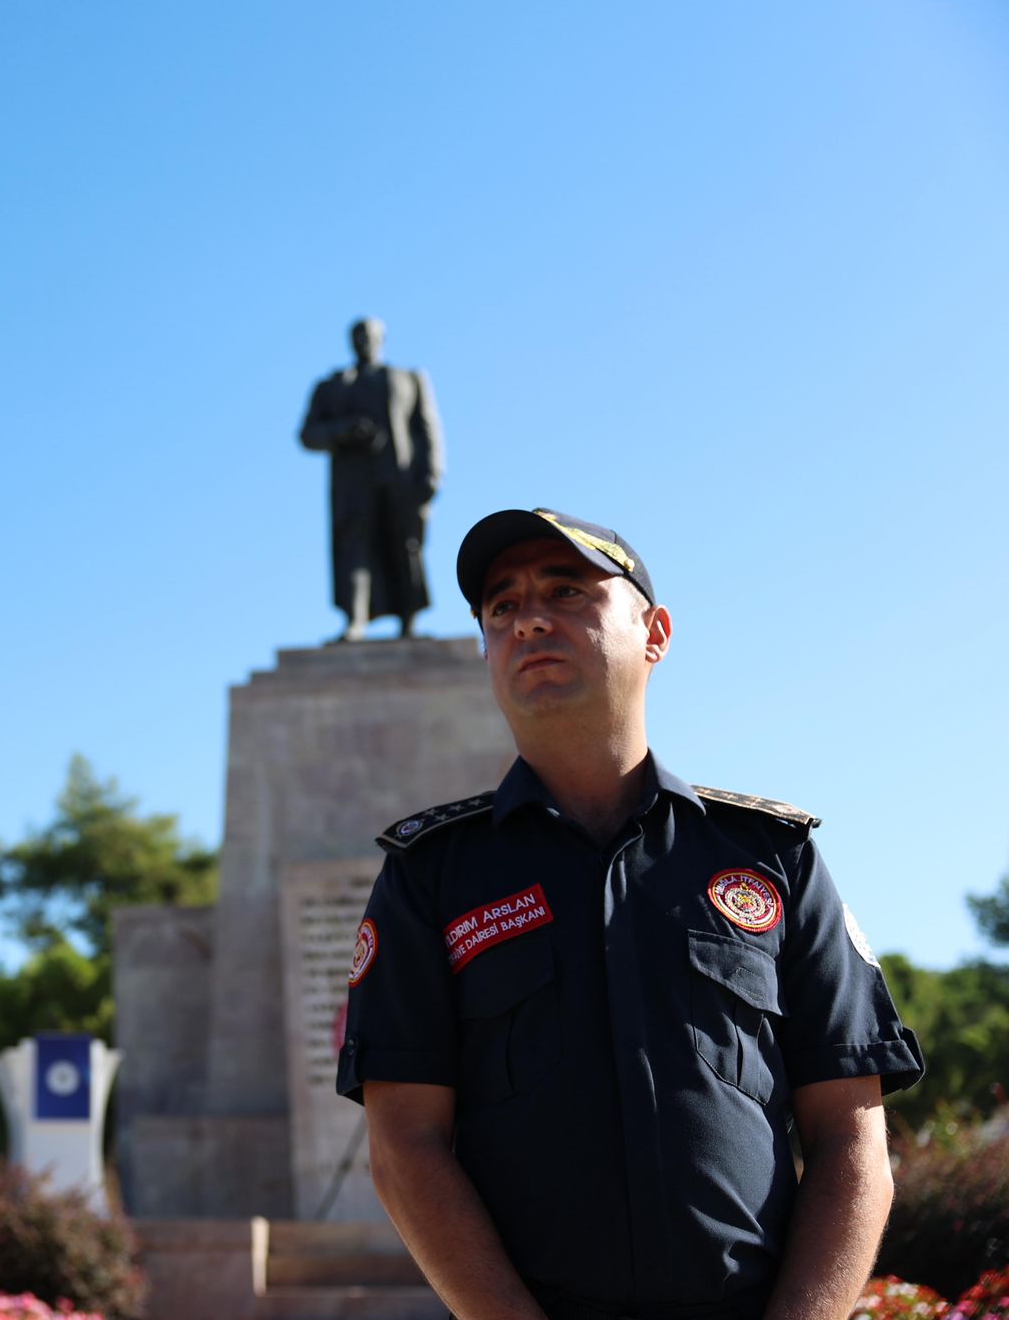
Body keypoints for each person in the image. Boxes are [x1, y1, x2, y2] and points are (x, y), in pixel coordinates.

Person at [337, 507, 922, 1320]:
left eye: (567, 591)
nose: (528, 620)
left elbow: (851, 1135)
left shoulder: (772, 857)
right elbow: (405, 1145)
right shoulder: (431, 875)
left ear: (655, 634)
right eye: (501, 607)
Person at [299, 317, 443, 640]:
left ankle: (409, 620)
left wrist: (433, 471)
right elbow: (308, 435)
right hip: (353, 485)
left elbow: (427, 428)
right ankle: (355, 620)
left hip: (400, 478)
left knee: (404, 545)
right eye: (358, 335)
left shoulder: (408, 378)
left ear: (382, 338)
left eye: (369, 334)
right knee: (354, 549)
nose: (364, 340)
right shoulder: (333, 386)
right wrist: (345, 430)